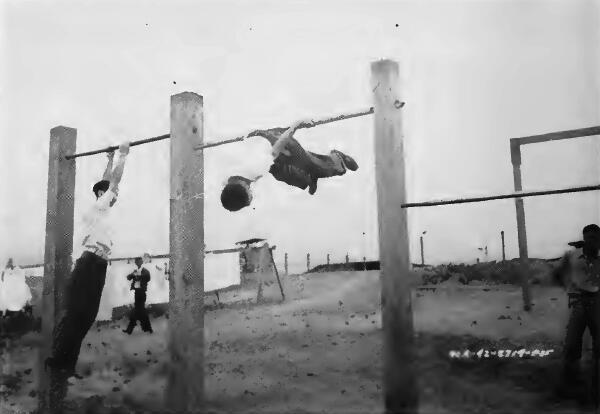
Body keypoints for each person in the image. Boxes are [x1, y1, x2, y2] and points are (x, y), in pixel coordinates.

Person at [44, 141, 130, 379]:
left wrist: (109, 159)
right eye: (112, 194)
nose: (116, 196)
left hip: (98, 265)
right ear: (103, 195)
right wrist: (123, 155)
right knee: (75, 315)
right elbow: (113, 183)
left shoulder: (102, 207)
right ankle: (59, 360)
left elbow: (106, 183)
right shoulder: (99, 206)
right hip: (89, 263)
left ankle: (66, 363)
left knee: (86, 316)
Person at [220, 119, 358, 211]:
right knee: (286, 175)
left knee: (306, 162)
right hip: (265, 152)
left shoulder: (255, 167)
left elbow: (280, 143)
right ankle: (308, 178)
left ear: (243, 186)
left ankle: (337, 160)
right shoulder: (229, 179)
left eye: (250, 194)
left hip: (275, 142)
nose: (252, 193)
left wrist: (297, 125)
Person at [554, 224, 600, 398]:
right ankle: (570, 386)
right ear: (584, 239)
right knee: (572, 344)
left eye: (595, 239)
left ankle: (595, 388)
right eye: (588, 239)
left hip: (598, 301)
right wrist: (569, 288)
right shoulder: (573, 256)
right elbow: (558, 274)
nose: (591, 243)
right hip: (579, 301)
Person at [123, 257, 153, 334]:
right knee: (140, 311)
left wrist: (138, 276)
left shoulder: (145, 271)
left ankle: (131, 329)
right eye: (136, 262)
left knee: (139, 311)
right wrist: (132, 275)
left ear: (141, 262)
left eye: (138, 261)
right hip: (137, 293)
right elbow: (128, 277)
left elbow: (148, 278)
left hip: (142, 293)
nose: (137, 263)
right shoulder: (136, 271)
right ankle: (147, 329)